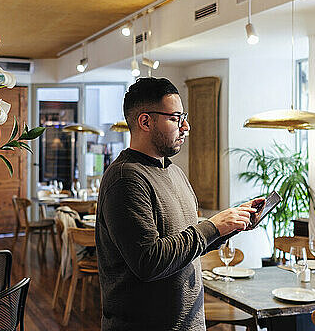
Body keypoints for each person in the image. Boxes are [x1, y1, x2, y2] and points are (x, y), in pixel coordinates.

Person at [96, 77, 264, 331]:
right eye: (175, 118)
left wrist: (229, 226)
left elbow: (185, 243)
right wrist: (212, 227)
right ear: (145, 121)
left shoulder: (173, 171)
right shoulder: (125, 178)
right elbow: (149, 261)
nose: (186, 126)